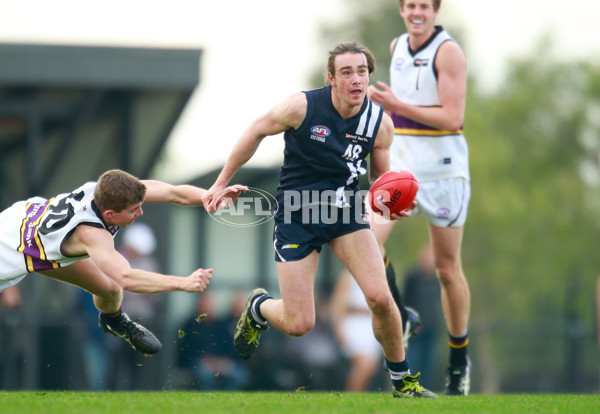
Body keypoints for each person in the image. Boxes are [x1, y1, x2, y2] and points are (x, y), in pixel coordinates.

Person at [202, 42, 436, 398]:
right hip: (298, 215)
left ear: (369, 77)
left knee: (380, 298)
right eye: (346, 72)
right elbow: (255, 131)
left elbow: (379, 186)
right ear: (331, 79)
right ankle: (259, 306)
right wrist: (221, 183)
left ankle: (403, 383)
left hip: (346, 215)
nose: (355, 78)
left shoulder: (380, 124)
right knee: (300, 323)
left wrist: (391, 205)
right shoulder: (302, 106)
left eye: (361, 71)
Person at [0, 169, 246, 357]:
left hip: (29, 229)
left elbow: (174, 193)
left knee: (109, 289)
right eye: (134, 211)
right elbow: (127, 277)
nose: (139, 213)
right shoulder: (93, 234)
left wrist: (212, 197)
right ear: (110, 215)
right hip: (7, 251)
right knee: (116, 282)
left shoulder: (107, 192)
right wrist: (183, 283)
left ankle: (114, 321)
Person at [367, 0, 472, 396]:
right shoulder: (396, 47)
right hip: (405, 168)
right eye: (410, 4)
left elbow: (452, 117)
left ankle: (459, 362)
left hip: (444, 169)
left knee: (447, 270)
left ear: (435, 10)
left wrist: (397, 106)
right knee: (366, 238)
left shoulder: (448, 51)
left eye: (424, 6)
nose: (417, 11)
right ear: (401, 9)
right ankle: (403, 313)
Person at [330, 270, 383, 391]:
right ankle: (351, 395)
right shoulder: (349, 276)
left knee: (370, 368)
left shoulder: (378, 275)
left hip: (370, 326)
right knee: (363, 366)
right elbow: (337, 304)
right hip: (355, 324)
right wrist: (338, 327)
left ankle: (359, 396)